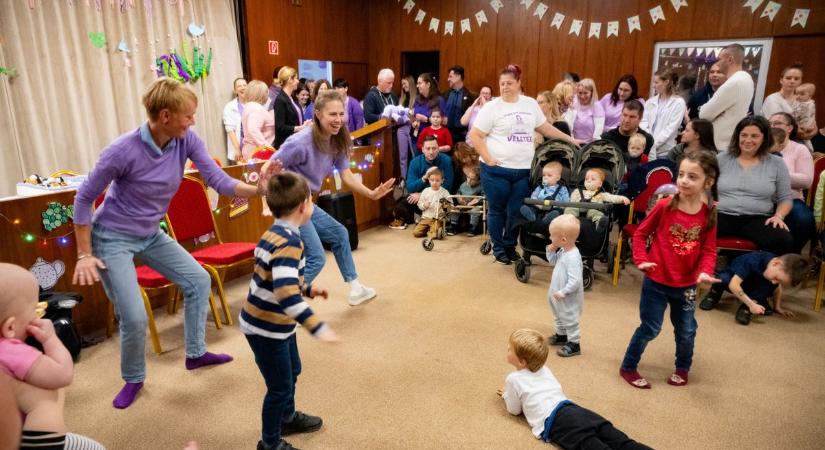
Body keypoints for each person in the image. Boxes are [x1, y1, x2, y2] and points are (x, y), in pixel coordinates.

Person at [72, 77, 273, 409]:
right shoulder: (122, 150)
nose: (193, 121)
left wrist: (258, 191)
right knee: (134, 317)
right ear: (165, 116)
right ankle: (133, 378)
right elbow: (83, 198)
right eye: (188, 115)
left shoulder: (185, 140)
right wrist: (84, 253)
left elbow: (217, 180)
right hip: (112, 238)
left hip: (150, 232)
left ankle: (195, 353)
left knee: (198, 280)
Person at [267, 90, 395, 306]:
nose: (338, 120)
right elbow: (268, 168)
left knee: (339, 234)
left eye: (341, 114)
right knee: (317, 258)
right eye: (332, 115)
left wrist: (371, 193)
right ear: (317, 114)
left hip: (305, 202)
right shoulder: (299, 141)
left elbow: (346, 175)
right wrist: (270, 202)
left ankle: (355, 289)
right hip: (289, 204)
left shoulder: (337, 140)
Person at [241, 172, 338, 450]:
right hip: (265, 327)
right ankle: (270, 443)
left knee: (293, 369)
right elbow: (285, 295)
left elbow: (278, 279)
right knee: (278, 387)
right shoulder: (289, 242)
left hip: (276, 323)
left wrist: (307, 289)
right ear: (303, 206)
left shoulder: (276, 232)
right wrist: (318, 327)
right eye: (311, 200)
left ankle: (287, 416)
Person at [619, 151, 720, 389]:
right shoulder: (665, 205)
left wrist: (705, 271)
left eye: (692, 177)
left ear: (708, 182)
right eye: (681, 174)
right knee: (650, 328)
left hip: (686, 286)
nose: (684, 180)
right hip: (656, 281)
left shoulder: (709, 215)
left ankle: (683, 368)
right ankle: (628, 366)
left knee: (686, 330)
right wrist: (641, 259)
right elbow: (641, 233)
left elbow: (709, 250)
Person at [469, 64, 579, 265]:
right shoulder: (491, 107)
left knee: (516, 210)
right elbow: (475, 135)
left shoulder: (529, 104)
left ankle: (510, 245)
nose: (504, 87)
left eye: (509, 83)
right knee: (497, 210)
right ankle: (499, 247)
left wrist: (570, 140)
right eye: (501, 83)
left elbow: (545, 128)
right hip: (495, 170)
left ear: (519, 83)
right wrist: (489, 157)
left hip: (522, 170)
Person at [0, 263, 106, 450]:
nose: (38, 315)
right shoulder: (10, 350)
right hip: (38, 442)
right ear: (10, 327)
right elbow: (62, 374)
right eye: (35, 310)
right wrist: (50, 339)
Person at [500, 328, 653, 449]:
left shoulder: (513, 379)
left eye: (509, 349)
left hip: (557, 422)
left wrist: (507, 396)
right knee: (622, 442)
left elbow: (514, 410)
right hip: (576, 410)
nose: (507, 348)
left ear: (522, 362)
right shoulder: (544, 369)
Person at [717, 116, 795, 255]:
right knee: (688, 230)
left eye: (754, 136)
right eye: (744, 135)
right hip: (721, 215)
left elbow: (785, 198)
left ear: (764, 138)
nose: (748, 140)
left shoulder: (777, 163)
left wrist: (779, 216)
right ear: (737, 136)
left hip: (757, 219)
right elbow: (704, 189)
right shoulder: (721, 158)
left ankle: (755, 275)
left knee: (784, 240)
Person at [699, 252, 808, 325]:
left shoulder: (774, 271)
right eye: (776, 278)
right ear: (776, 263)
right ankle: (714, 294)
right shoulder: (752, 260)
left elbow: (777, 287)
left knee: (768, 286)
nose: (775, 282)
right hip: (734, 281)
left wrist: (777, 307)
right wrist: (751, 304)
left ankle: (745, 308)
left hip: (751, 287)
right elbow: (734, 285)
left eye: (779, 281)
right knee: (722, 278)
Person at [768, 113, 815, 253]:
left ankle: (790, 257)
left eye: (777, 123)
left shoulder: (799, 149)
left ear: (789, 128)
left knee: (804, 219)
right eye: (769, 123)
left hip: (791, 198)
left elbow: (806, 181)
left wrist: (780, 175)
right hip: (762, 198)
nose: (772, 126)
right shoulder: (760, 146)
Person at [699, 44, 755, 151]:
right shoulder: (747, 78)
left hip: (720, 145)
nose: (718, 64)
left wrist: (715, 113)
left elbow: (704, 114)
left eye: (720, 59)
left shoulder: (733, 83)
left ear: (729, 59)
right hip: (730, 141)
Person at [545, 215, 584, 357]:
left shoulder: (573, 257)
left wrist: (563, 292)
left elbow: (576, 281)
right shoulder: (563, 250)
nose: (549, 237)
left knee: (569, 318)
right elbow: (553, 262)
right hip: (557, 293)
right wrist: (550, 250)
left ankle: (574, 343)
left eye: (551, 235)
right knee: (558, 315)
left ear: (563, 240)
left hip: (567, 296)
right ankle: (562, 335)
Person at [640, 68, 687, 160]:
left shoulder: (678, 103)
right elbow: (643, 122)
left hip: (665, 152)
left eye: (656, 82)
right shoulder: (650, 101)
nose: (654, 86)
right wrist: (648, 141)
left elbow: (670, 128)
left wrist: (653, 144)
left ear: (666, 82)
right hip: (646, 149)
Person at [564, 168, 630, 229]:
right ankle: (567, 221)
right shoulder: (577, 191)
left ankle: (599, 223)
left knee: (596, 213)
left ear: (600, 184)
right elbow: (572, 201)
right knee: (570, 209)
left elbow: (612, 198)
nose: (589, 181)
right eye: (586, 179)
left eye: (593, 179)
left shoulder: (601, 194)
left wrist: (622, 198)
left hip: (592, 210)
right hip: (577, 209)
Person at [519, 161, 569, 225]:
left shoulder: (562, 188)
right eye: (544, 175)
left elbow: (566, 200)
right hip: (539, 206)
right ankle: (531, 214)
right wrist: (536, 203)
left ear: (557, 178)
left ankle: (549, 218)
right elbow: (533, 196)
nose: (545, 177)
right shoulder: (540, 187)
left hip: (554, 207)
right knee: (532, 208)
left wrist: (557, 205)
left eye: (549, 175)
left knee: (558, 211)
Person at [274, 67, 311, 149]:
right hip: (285, 145)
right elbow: (280, 127)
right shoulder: (280, 100)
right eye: (296, 78)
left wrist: (304, 124)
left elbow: (293, 120)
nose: (298, 81)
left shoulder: (292, 98)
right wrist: (300, 128)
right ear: (290, 79)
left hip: (294, 142)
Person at [241, 80, 276, 161]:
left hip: (254, 151)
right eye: (266, 92)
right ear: (260, 93)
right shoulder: (256, 108)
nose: (268, 95)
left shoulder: (250, 107)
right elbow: (253, 130)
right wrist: (268, 148)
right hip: (258, 154)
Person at [412, 169, 451, 238]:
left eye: (437, 180)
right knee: (416, 233)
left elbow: (450, 205)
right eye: (432, 180)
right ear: (429, 180)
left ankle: (433, 230)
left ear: (442, 181)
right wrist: (424, 205)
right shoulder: (426, 191)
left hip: (437, 219)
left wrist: (446, 206)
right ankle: (427, 229)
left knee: (433, 235)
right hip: (425, 218)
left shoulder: (445, 192)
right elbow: (419, 205)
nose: (434, 183)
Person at [564, 78, 605, 144]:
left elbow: (598, 130)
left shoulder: (597, 106)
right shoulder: (573, 102)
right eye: (580, 93)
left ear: (592, 92)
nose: (582, 96)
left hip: (589, 144)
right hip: (573, 142)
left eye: (585, 93)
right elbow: (567, 123)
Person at [448, 164, 484, 236]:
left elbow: (482, 196)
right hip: (463, 204)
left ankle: (473, 227)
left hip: (474, 205)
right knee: (455, 209)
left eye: (472, 179)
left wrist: (473, 202)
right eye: (468, 177)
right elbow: (458, 192)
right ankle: (453, 226)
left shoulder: (481, 186)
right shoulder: (464, 184)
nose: (469, 180)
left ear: (478, 180)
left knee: (475, 211)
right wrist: (460, 198)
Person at [444, 65, 476, 143]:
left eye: (450, 76)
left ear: (458, 76)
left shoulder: (471, 96)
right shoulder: (445, 94)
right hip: (445, 134)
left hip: (462, 137)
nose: (448, 79)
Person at [412, 72, 447, 142]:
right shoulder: (417, 99)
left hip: (432, 140)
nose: (417, 86)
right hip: (416, 138)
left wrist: (427, 119)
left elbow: (445, 122)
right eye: (417, 83)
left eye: (419, 83)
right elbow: (413, 116)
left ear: (428, 85)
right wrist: (413, 123)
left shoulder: (439, 100)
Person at [223, 77, 246, 165]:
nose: (243, 87)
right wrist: (237, 149)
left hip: (253, 147)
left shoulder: (254, 104)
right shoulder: (230, 107)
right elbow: (230, 130)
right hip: (239, 147)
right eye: (239, 86)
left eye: (244, 85)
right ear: (235, 91)